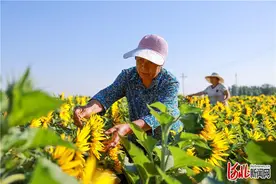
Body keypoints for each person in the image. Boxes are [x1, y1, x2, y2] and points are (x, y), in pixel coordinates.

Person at [73, 34, 182, 151]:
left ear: (161, 64)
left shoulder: (169, 82)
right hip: (138, 141)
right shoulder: (128, 76)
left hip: (166, 145)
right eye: (140, 60)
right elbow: (107, 95)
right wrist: (89, 109)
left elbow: (162, 115)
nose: (143, 66)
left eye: (149, 62)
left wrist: (128, 128)